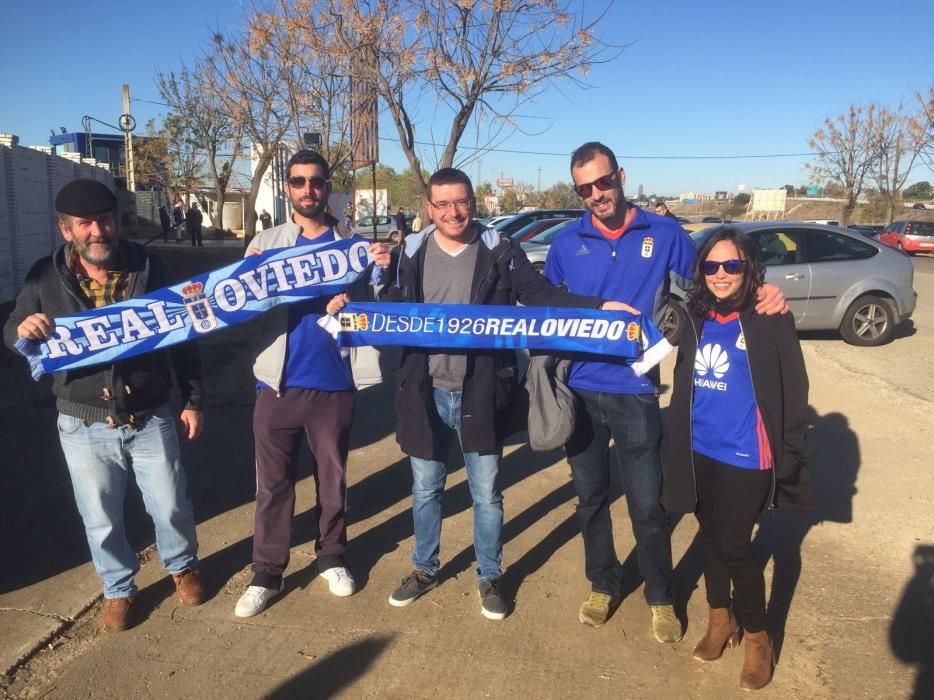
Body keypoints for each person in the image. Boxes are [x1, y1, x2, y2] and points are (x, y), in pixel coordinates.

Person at [544, 142, 786, 642]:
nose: (596, 194)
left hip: (636, 393)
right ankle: (603, 583)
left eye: (603, 181)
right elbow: (548, 302)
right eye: (584, 188)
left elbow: (716, 277)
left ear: (621, 176)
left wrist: (762, 288)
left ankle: (660, 594)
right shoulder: (567, 242)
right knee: (590, 499)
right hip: (581, 391)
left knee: (649, 505)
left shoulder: (666, 233)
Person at [365, 167, 631, 620]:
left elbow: (543, 295)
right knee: (426, 489)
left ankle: (490, 574)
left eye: (461, 201)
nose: (454, 211)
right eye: (443, 203)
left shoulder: (500, 250)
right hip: (423, 392)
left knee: (486, 494)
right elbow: (382, 307)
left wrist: (600, 308)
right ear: (429, 208)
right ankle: (424, 568)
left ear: (473, 200)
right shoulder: (409, 251)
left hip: (481, 393)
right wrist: (359, 288)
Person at [3, 179, 205, 632]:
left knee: (171, 503)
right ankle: (118, 589)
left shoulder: (150, 266)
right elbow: (14, 331)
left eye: (106, 219)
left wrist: (192, 398)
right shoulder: (44, 275)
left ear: (118, 220)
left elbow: (184, 337)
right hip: (82, 422)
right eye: (85, 223)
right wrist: (24, 330)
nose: (98, 230)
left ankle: (182, 566)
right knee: (100, 515)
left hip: (151, 413)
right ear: (66, 229)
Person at [233, 150, 391, 618]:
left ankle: (332, 556)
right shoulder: (265, 242)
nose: (308, 190)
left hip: (334, 383)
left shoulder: (354, 244)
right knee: (272, 485)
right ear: (288, 187)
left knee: (333, 478)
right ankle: (267, 570)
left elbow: (383, 304)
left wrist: (378, 269)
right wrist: (249, 277)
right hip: (276, 384)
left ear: (328, 188)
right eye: (299, 182)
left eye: (317, 182)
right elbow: (239, 308)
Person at [660, 226, 813, 690]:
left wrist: (790, 451)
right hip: (699, 446)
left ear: (749, 269)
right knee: (709, 537)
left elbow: (794, 388)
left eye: (732, 265)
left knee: (735, 546)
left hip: (747, 452)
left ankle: (759, 638)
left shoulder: (768, 316)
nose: (721, 274)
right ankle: (720, 620)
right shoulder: (694, 315)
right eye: (712, 266)